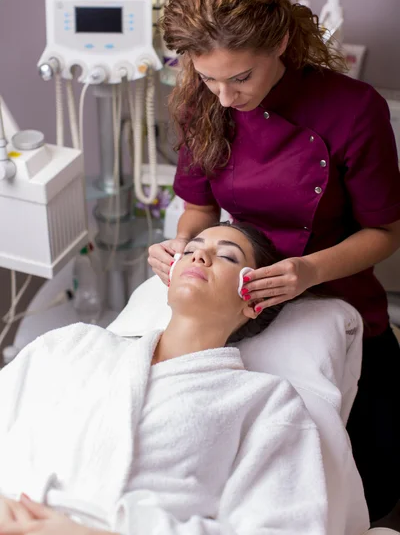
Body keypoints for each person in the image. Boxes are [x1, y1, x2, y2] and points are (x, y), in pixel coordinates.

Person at [148, 0, 400, 522]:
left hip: (337, 285)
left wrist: (308, 271)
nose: (225, 97)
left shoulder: (354, 110)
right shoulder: (200, 103)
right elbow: (197, 210)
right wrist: (181, 245)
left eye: (241, 77)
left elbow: (385, 232)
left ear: (282, 42)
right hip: (238, 286)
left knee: (375, 475)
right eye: (208, 77)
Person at [0, 224, 330, 535]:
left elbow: (283, 526)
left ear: (254, 300)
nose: (200, 257)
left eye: (228, 256)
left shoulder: (264, 401)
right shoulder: (73, 344)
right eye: (190, 251)